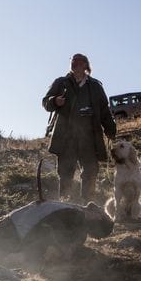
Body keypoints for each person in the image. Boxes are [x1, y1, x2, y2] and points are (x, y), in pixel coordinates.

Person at [42, 53, 116, 203]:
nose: (74, 64)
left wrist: (110, 129)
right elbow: (45, 102)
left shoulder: (95, 86)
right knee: (65, 172)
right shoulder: (60, 83)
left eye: (78, 62)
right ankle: (65, 203)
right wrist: (55, 100)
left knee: (90, 171)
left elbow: (104, 110)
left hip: (89, 137)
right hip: (66, 136)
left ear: (85, 66)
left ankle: (88, 206)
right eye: (72, 61)